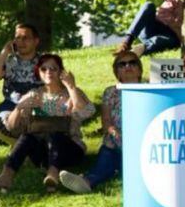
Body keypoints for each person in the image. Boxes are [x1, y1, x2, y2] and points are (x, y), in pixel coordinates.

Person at [0, 54, 94, 193]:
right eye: (44, 69)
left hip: (70, 150)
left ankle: (53, 174)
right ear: (38, 73)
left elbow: (87, 111)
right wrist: (19, 107)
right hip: (42, 154)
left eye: (53, 68)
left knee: (55, 135)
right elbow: (11, 127)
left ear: (61, 71)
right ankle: (6, 176)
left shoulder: (71, 93)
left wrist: (72, 87)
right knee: (26, 137)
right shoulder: (34, 94)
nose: (48, 72)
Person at [58, 52, 142, 194]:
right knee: (109, 153)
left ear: (139, 69)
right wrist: (115, 133)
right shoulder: (110, 92)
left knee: (120, 161)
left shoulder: (152, 91)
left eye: (132, 62)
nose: (128, 66)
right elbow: (106, 122)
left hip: (141, 141)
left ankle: (100, 176)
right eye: (122, 64)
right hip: (116, 140)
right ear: (117, 72)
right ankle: (87, 181)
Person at [0, 23, 44, 146]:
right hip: (11, 105)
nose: (21, 41)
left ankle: (9, 139)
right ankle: (5, 135)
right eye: (17, 38)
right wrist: (4, 52)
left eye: (25, 38)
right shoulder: (8, 61)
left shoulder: (45, 62)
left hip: (37, 105)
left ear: (36, 41)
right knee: (9, 124)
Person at [115, 0, 183, 56]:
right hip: (153, 27)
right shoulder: (176, 1)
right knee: (148, 5)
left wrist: (174, 24)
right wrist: (175, 25)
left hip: (171, 36)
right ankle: (127, 42)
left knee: (160, 41)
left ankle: (134, 52)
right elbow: (161, 13)